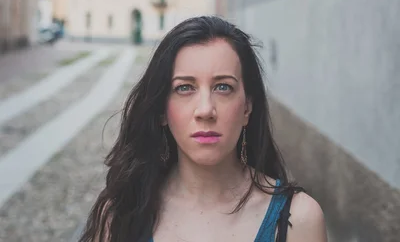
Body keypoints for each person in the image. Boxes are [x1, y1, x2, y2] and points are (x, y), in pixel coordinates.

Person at [79, 16, 327, 242]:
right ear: (162, 111)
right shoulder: (121, 215)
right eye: (185, 88)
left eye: (223, 87)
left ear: (247, 108)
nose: (206, 110)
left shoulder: (299, 220)